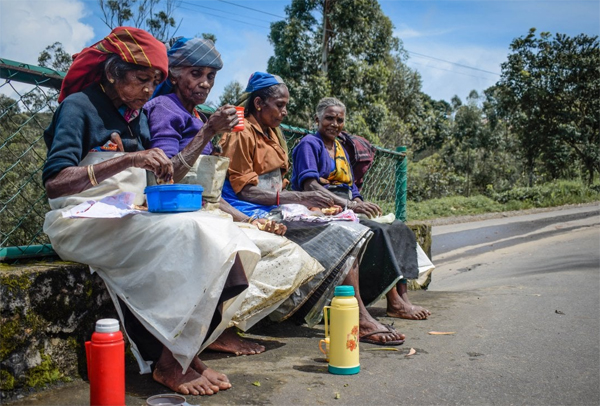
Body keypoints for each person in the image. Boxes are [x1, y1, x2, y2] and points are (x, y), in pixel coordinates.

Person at [42, 27, 262, 396]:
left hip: (126, 212)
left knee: (218, 232)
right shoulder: (78, 107)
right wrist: (127, 158)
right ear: (113, 73)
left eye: (155, 81)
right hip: (81, 219)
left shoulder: (137, 116)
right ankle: (170, 361)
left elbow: (162, 173)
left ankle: (184, 352)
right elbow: (56, 183)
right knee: (192, 234)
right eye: (142, 79)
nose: (149, 90)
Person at [143, 37, 324, 356]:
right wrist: (208, 132)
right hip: (179, 217)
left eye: (211, 76)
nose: (205, 83)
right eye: (196, 73)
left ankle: (220, 323)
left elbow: (210, 194)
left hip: (211, 213)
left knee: (294, 258)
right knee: (267, 254)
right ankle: (214, 327)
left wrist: (250, 220)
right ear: (173, 74)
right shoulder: (164, 109)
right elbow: (166, 176)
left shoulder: (198, 117)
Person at [218, 72, 406, 346]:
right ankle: (359, 318)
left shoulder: (274, 133)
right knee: (342, 232)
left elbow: (280, 185)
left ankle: (354, 311)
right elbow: (245, 190)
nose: (284, 112)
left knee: (350, 227)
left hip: (277, 205)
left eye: (286, 106)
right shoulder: (242, 132)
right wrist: (298, 198)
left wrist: (300, 201)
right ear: (258, 103)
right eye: (279, 105)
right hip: (251, 210)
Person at [291, 97, 431, 321]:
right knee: (377, 232)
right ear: (317, 119)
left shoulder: (339, 148)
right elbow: (311, 186)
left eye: (339, 120)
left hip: (345, 206)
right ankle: (393, 301)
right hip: (320, 207)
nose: (334, 124)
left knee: (398, 228)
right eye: (329, 118)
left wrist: (359, 203)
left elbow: (351, 187)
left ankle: (404, 298)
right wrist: (349, 205)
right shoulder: (310, 144)